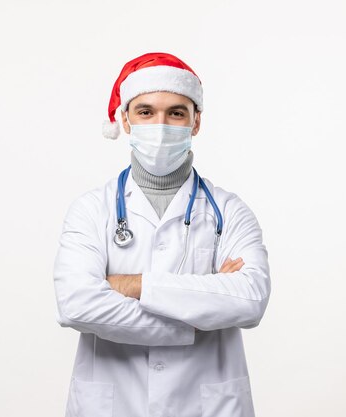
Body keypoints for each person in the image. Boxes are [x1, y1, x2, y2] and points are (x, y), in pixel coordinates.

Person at [52, 52, 271, 417]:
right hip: (115, 403)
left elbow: (250, 300)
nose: (161, 123)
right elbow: (76, 304)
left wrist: (134, 285)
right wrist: (198, 312)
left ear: (196, 122)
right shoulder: (91, 209)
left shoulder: (229, 210)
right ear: (125, 119)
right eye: (145, 111)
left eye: (176, 112)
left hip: (206, 405)